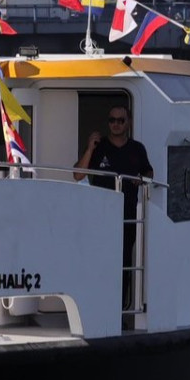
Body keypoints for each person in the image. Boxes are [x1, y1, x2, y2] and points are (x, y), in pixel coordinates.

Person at [74, 105, 153, 273]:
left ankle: (123, 299)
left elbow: (149, 171)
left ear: (129, 123)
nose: (116, 124)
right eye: (112, 120)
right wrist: (90, 148)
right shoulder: (98, 147)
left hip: (128, 216)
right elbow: (77, 175)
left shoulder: (137, 148)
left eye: (121, 120)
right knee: (100, 260)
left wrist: (142, 179)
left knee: (124, 263)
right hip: (100, 215)